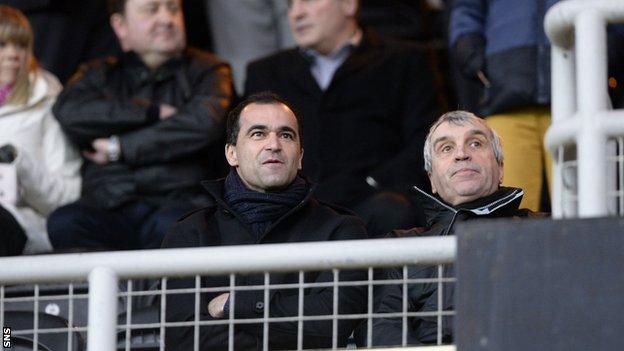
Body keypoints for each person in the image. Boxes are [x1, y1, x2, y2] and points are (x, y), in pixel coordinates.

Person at [162, 92, 368, 350]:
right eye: (258, 133)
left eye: (286, 135)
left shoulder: (341, 230)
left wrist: (236, 305)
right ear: (231, 154)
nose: (274, 144)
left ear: (300, 156)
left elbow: (331, 325)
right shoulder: (190, 234)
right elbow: (182, 338)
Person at [46, 0, 234, 251]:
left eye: (174, 9)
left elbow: (202, 123)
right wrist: (151, 112)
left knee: (180, 227)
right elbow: (69, 111)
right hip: (109, 201)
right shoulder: (98, 74)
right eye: (152, 9)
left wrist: (120, 147)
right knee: (65, 222)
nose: (167, 19)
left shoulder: (210, 70)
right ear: (120, 25)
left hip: (179, 198)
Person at [245, 0, 440, 237]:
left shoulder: (406, 60)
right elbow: (244, 148)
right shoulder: (265, 72)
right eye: (290, 6)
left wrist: (373, 182)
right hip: (289, 211)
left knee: (392, 210)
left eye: (308, 2)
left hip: (373, 208)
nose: (296, 14)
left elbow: (427, 140)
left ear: (348, 5)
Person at [370, 111, 539, 346]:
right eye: (446, 148)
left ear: (500, 168)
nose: (461, 154)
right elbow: (382, 331)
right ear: (432, 179)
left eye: (476, 143)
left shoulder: (545, 231)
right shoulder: (400, 248)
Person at [449, 0, 560, 211]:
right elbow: (466, 10)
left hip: (578, 102)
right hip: (505, 101)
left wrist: (607, 50)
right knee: (510, 215)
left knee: (585, 210)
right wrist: (474, 57)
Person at [0, 5, 81, 255]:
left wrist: (19, 162)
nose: (14, 54)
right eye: (3, 45)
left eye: (21, 45)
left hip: (23, 226)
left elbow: (67, 198)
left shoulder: (49, 103)